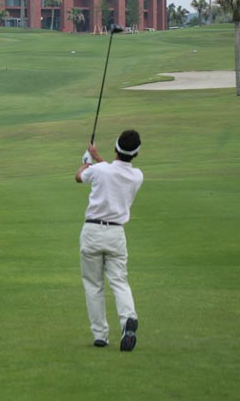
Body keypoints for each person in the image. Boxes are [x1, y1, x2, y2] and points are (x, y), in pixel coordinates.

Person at [75, 129, 143, 351]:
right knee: (119, 281)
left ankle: (100, 335)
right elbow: (115, 174)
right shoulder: (137, 176)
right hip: (116, 234)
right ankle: (128, 319)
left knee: (94, 285)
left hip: (92, 231)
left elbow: (79, 177)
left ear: (115, 148)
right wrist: (96, 158)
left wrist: (87, 161)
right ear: (136, 154)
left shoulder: (101, 170)